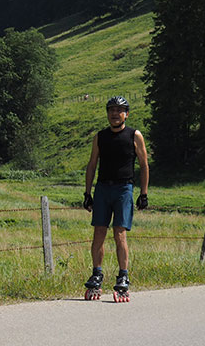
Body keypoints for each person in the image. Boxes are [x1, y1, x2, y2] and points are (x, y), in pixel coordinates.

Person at [82, 96, 149, 301]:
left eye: (119, 110)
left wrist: (143, 194)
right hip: (103, 188)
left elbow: (144, 165)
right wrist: (87, 192)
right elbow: (92, 164)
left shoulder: (134, 135)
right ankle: (97, 274)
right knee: (99, 233)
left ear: (126, 114)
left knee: (119, 233)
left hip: (123, 189)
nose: (115, 113)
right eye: (111, 110)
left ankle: (123, 277)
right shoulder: (100, 137)